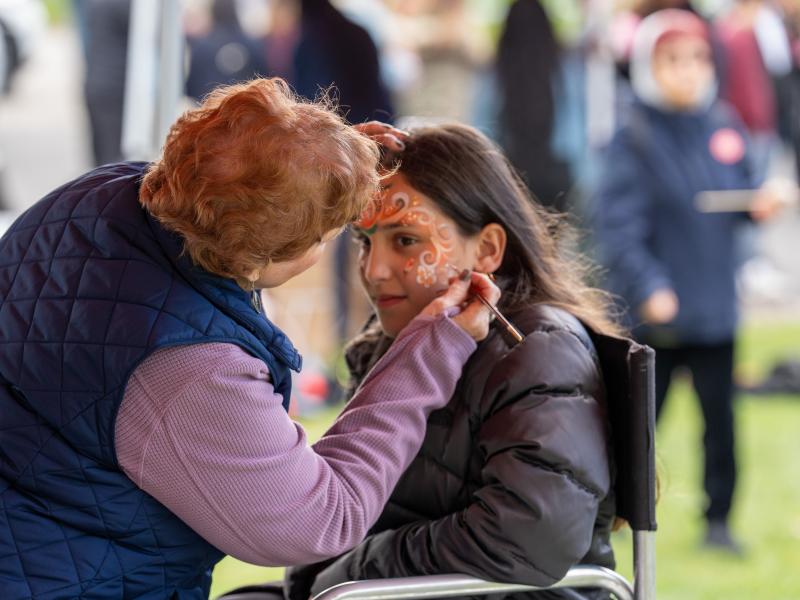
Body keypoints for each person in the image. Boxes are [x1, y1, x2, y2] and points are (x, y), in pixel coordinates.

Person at [0, 78, 501, 599]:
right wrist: (424, 356)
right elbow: (323, 518)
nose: (373, 271)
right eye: (337, 237)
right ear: (257, 259)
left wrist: (314, 164)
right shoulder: (190, 370)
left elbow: (239, 175)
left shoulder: (99, 194)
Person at [250, 123, 618, 600]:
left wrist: (350, 574)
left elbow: (531, 536)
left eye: (404, 240)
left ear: (486, 249)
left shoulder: (541, 350)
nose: (373, 270)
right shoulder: (402, 338)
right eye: (365, 242)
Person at [591, 9, 782, 554]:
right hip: (661, 314)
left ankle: (719, 521)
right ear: (649, 65)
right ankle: (611, 517)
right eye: (672, 60)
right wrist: (651, 285)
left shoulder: (721, 123)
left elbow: (738, 189)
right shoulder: (634, 136)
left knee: (720, 425)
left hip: (715, 305)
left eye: (697, 58)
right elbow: (619, 228)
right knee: (640, 428)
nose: (688, 71)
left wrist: (760, 203)